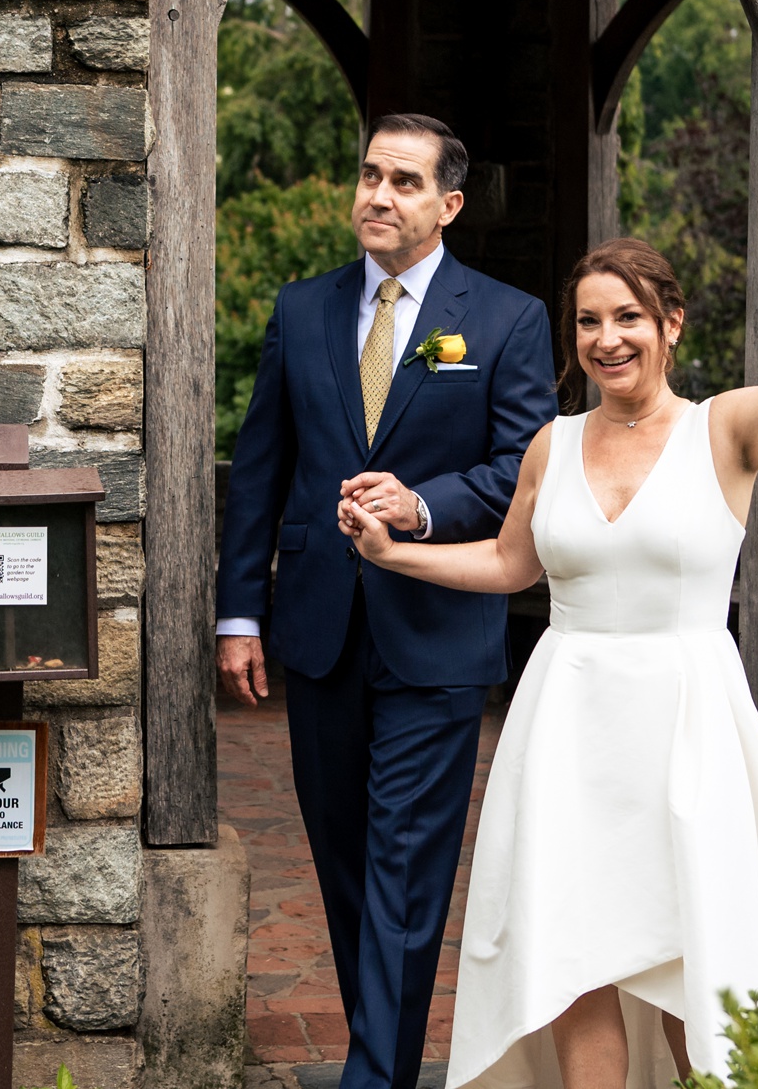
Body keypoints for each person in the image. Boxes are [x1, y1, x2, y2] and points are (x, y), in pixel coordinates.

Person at [339, 160, 758, 1089]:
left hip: (687, 722)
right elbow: (515, 565)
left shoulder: (727, 430)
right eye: (589, 321)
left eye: (628, 317)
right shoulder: (552, 443)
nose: (607, 339)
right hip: (566, 723)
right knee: (574, 958)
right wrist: (398, 556)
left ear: (671, 324)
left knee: (692, 960)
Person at [217, 113, 561, 1089]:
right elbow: (260, 467)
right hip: (319, 633)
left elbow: (521, 468)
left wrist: (424, 503)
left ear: (447, 204)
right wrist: (239, 614)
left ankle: (374, 1076)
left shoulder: (503, 319)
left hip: (437, 637)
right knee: (344, 863)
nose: (377, 194)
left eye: (403, 181)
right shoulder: (301, 309)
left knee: (405, 869)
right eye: (370, 174)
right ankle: (387, 1058)